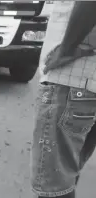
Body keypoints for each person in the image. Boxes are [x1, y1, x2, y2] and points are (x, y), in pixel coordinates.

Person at [30, 1, 96, 198]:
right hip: (84, 85)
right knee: (67, 175)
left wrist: (67, 49)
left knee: (54, 188)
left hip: (72, 81)